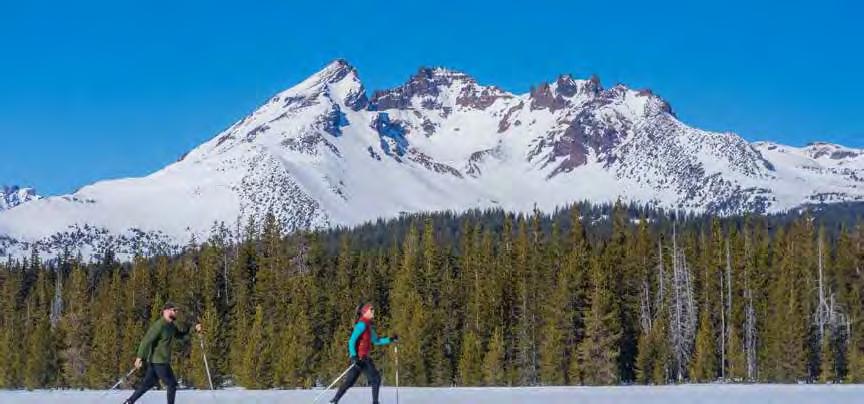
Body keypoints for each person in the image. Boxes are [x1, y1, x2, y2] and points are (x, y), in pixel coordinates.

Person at [123, 302, 202, 404]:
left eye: (176, 310)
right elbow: (146, 341)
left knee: (147, 384)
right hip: (159, 361)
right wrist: (139, 357)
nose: (176, 312)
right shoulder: (159, 325)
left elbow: (180, 336)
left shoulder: (171, 326)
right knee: (171, 384)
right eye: (174, 310)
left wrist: (194, 330)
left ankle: (129, 402)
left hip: (160, 362)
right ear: (166, 311)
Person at [330, 303, 398, 404]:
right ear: (365, 312)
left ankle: (335, 400)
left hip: (364, 359)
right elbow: (352, 341)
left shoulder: (368, 327)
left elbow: (376, 340)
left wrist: (390, 339)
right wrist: (353, 356)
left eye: (373, 309)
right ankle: (335, 400)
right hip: (359, 359)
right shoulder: (361, 325)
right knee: (366, 380)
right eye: (371, 310)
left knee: (370, 379)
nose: (373, 311)